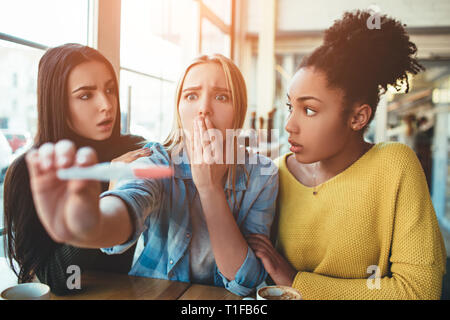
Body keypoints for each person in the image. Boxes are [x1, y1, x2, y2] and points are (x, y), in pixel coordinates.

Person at [24, 54, 278, 297]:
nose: (204, 109)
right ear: (179, 108)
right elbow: (131, 200)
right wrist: (91, 224)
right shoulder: (157, 159)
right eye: (191, 96)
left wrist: (209, 187)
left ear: (240, 108)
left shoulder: (262, 174)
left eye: (222, 97)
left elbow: (245, 281)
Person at [247, 10, 446, 299]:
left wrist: (297, 281)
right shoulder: (272, 175)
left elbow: (420, 291)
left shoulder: (394, 165)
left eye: (310, 110)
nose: (290, 125)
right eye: (291, 107)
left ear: (358, 117)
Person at [3, 43, 150, 295]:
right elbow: (59, 281)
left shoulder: (133, 150)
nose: (107, 104)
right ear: (56, 102)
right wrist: (105, 198)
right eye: (85, 95)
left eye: (110, 90)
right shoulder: (27, 172)